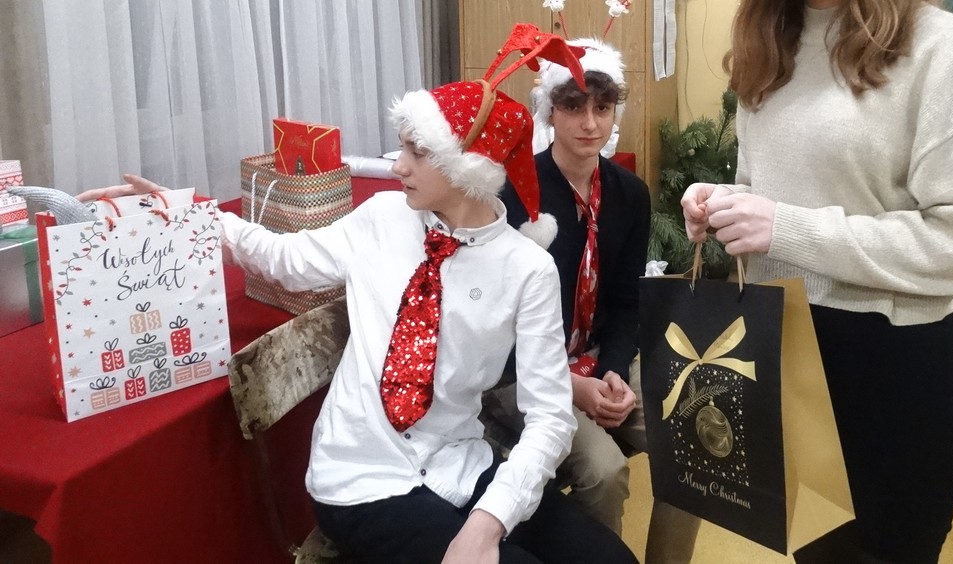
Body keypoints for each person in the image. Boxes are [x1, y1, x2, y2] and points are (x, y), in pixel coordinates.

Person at [97, 28, 640, 564]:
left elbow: (549, 417)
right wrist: (192, 214)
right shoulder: (381, 219)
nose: (398, 166)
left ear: (466, 167)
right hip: (361, 480)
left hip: (457, 463)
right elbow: (283, 259)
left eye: (417, 152)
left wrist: (488, 521)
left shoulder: (526, 268)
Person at [681, 0, 953, 564]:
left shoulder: (936, 48)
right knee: (811, 553)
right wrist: (723, 205)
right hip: (785, 351)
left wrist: (786, 227)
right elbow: (767, 190)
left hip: (890, 369)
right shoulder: (769, 41)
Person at [488, 38, 700, 564]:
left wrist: (612, 371)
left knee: (693, 446)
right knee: (604, 471)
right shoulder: (513, 191)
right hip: (518, 370)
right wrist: (570, 386)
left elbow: (627, 302)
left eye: (602, 108)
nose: (590, 123)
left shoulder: (628, 194)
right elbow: (492, 321)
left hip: (597, 358)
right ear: (550, 112)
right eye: (574, 107)